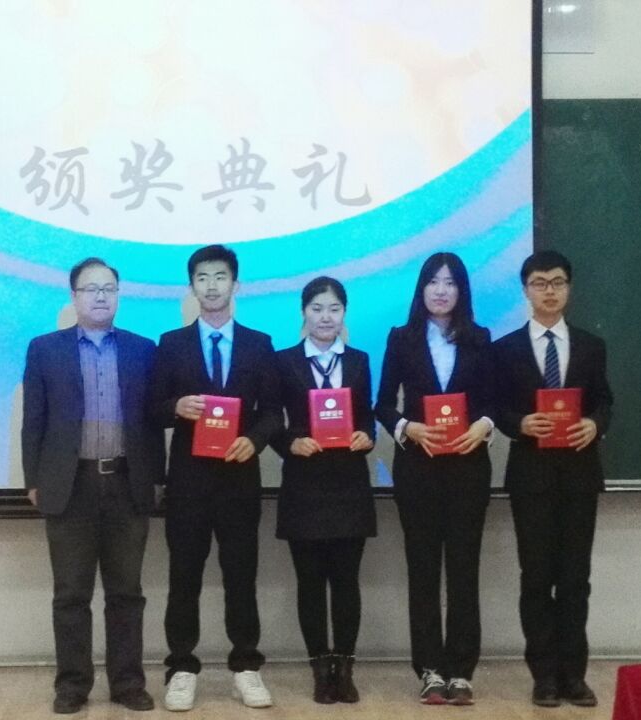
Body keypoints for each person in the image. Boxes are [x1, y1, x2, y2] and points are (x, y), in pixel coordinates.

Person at [21, 257, 164, 714]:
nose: (101, 296)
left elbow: (152, 422)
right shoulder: (45, 349)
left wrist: (156, 478)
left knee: (127, 593)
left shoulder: (143, 350)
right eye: (91, 289)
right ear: (74, 296)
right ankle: (72, 685)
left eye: (109, 289)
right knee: (71, 595)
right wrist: (33, 479)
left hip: (126, 482)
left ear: (118, 296)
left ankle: (127, 683)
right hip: (70, 484)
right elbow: (34, 420)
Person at [148, 244, 283, 712]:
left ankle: (245, 667)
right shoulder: (171, 344)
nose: (211, 286)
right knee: (183, 577)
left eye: (220, 276)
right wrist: (176, 407)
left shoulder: (259, 344)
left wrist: (255, 440)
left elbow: (273, 412)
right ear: (192, 287)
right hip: (188, 483)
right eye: (202, 277)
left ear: (235, 284)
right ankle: (181, 668)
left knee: (241, 577)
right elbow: (152, 409)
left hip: (239, 480)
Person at [493, 250, 613, 708]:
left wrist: (595, 425)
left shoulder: (590, 345)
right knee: (537, 578)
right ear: (526, 290)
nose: (549, 291)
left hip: (580, 476)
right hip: (531, 478)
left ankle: (574, 675)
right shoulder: (505, 348)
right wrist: (520, 423)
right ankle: (543, 675)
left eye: (558, 282)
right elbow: (496, 407)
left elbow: (604, 401)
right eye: (540, 283)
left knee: (576, 579)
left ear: (569, 288)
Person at [375, 252, 495, 706]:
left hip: (468, 468)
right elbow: (383, 404)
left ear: (462, 291)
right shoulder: (402, 338)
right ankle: (429, 669)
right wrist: (408, 428)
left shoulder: (480, 338)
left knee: (464, 570)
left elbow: (494, 401)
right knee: (423, 570)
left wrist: (483, 426)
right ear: (421, 288)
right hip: (418, 469)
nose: (441, 290)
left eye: (450, 283)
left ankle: (461, 671)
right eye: (433, 281)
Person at [270, 276, 377, 704]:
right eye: (317, 308)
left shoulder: (359, 361)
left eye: (334, 308)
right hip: (304, 486)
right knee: (310, 583)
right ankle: (319, 667)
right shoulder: (284, 361)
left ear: (344, 313)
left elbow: (366, 418)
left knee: (347, 582)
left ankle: (345, 667)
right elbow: (270, 420)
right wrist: (289, 443)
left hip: (349, 485)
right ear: (304, 313)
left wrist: (367, 436)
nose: (325, 317)